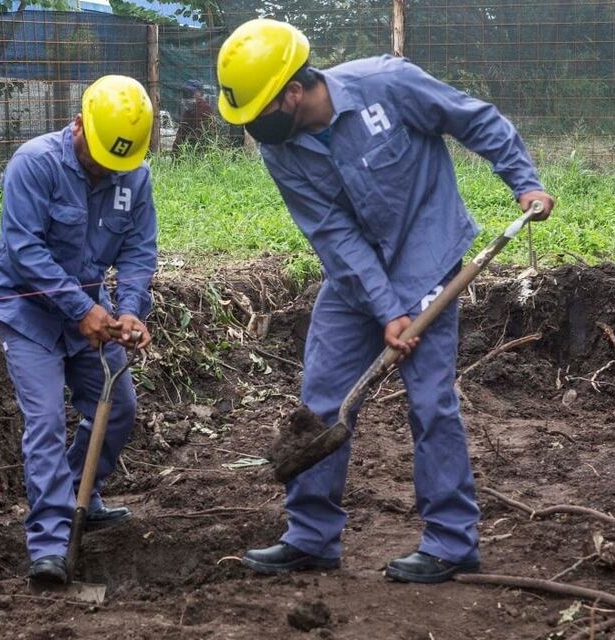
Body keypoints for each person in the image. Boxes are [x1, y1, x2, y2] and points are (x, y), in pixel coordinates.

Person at [216, 19, 555, 583]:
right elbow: (333, 234)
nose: (252, 126)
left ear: (293, 93)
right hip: (355, 281)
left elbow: (474, 119)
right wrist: (386, 311)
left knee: (430, 402)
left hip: (427, 261)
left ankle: (451, 541)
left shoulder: (387, 84)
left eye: (258, 111)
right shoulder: (281, 151)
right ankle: (311, 536)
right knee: (322, 399)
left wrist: (523, 180)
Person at [0, 75, 158, 586]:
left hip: (91, 310)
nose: (109, 169)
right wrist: (81, 307)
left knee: (119, 406)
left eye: (119, 162)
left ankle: (84, 493)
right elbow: (25, 250)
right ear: (79, 124)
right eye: (101, 156)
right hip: (29, 312)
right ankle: (50, 544)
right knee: (44, 424)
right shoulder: (33, 164)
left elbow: (138, 250)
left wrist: (128, 309)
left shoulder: (134, 174)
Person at [173, 79, 216, 154]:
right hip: (188, 153)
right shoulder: (188, 112)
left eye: (189, 93)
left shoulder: (205, 109)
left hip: (202, 153)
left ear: (200, 93)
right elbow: (180, 136)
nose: (186, 96)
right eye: (185, 93)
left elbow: (204, 137)